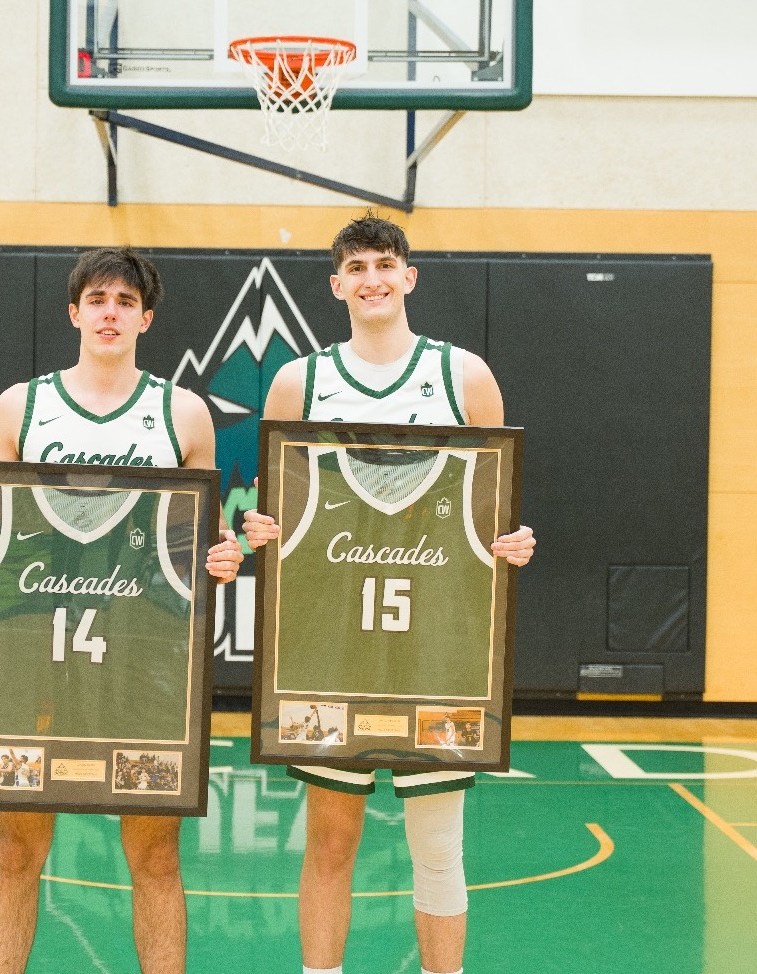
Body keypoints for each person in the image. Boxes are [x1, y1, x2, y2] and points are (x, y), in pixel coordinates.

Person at [0, 247, 243, 974]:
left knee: (156, 855)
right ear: (74, 313)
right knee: (15, 851)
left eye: (125, 302)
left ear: (147, 318)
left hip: (142, 656)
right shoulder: (22, 405)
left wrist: (223, 562)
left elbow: (203, 545)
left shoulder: (182, 412)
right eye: (97, 300)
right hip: (32, 653)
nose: (111, 313)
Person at [242, 214, 536, 974]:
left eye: (385, 263)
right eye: (356, 267)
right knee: (331, 841)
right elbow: (273, 509)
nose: (372, 278)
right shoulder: (298, 381)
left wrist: (513, 541)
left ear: (408, 277)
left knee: (437, 847)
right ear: (336, 285)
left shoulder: (463, 376)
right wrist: (257, 528)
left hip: (435, 647)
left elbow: (491, 509)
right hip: (333, 645)